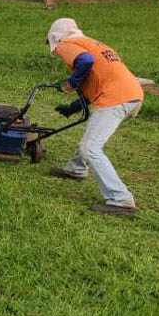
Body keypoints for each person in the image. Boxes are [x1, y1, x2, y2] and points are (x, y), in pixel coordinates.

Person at [47, 17, 144, 215]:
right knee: (91, 138)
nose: (57, 52)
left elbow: (85, 62)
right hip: (132, 95)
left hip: (116, 98)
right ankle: (76, 168)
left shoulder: (67, 43)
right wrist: (73, 107)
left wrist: (69, 84)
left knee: (91, 147)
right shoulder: (92, 43)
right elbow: (98, 79)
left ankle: (121, 199)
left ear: (56, 38)